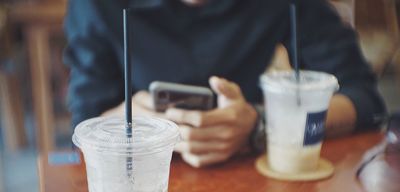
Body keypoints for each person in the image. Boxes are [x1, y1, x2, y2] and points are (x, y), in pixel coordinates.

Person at [64, 0, 386, 167]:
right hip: (141, 183)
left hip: (256, 178)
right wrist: (130, 122)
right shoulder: (96, 5)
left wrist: (262, 125)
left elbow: (366, 102)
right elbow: (85, 125)